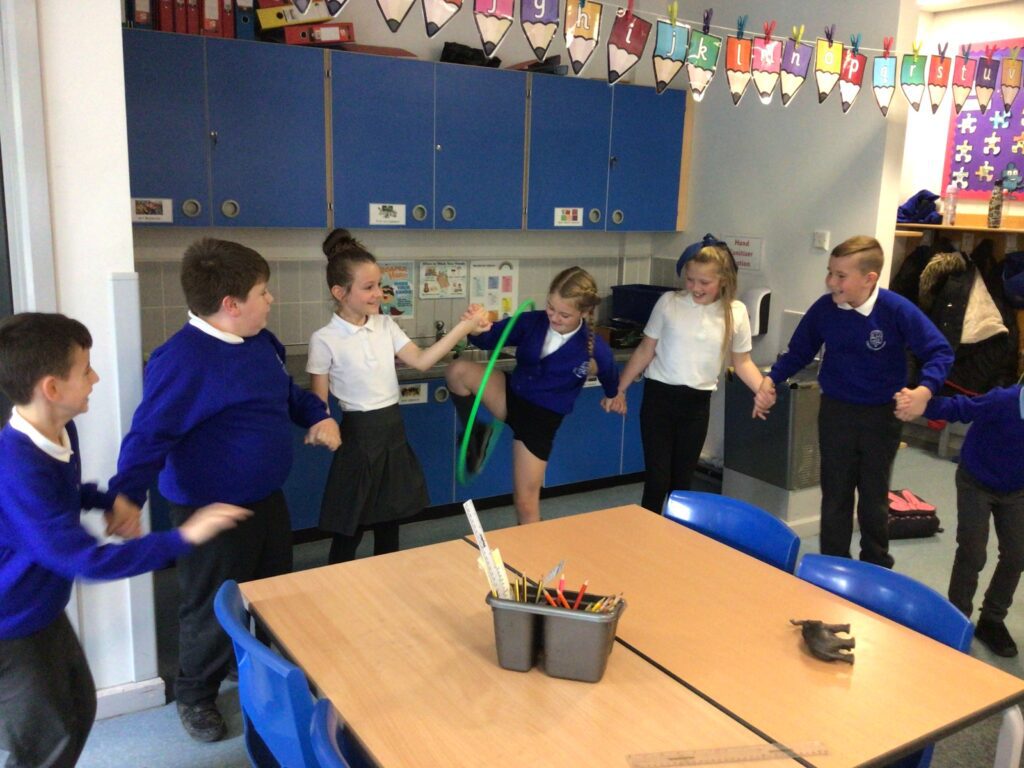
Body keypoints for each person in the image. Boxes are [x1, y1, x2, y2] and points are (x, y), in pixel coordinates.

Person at [109, 238, 340, 743]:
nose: (271, 299)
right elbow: (149, 435)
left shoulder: (261, 342)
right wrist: (126, 495)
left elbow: (287, 395)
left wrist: (318, 415)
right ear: (231, 304)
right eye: (263, 292)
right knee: (210, 606)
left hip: (267, 500)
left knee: (271, 595)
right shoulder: (180, 361)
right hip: (207, 511)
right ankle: (195, 694)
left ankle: (249, 665)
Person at [0, 313, 250, 768]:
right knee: (45, 741)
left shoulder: (58, 430)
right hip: (9, 625)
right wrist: (184, 535)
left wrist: (105, 500)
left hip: (38, 608)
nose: (95, 378)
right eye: (85, 370)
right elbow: (87, 561)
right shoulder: (16, 467)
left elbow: (59, 498)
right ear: (52, 388)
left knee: (79, 708)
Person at [755, 235, 953, 568]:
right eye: (830, 272)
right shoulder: (825, 309)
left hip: (882, 416)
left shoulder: (895, 309)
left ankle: (875, 565)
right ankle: (834, 565)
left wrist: (924, 389)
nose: (831, 281)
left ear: (869, 278)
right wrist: (771, 380)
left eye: (840, 275)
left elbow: (939, 351)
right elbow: (798, 351)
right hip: (836, 412)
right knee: (835, 493)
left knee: (874, 496)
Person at [307, 229, 489, 564]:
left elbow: (422, 360)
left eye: (379, 285)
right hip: (358, 439)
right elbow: (318, 404)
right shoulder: (324, 339)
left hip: (392, 431)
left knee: (390, 520)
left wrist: (463, 328)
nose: (378, 293)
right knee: (349, 526)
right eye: (368, 287)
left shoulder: (386, 326)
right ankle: (334, 584)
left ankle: (388, 580)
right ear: (339, 292)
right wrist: (322, 424)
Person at [603, 237, 768, 513]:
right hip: (659, 399)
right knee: (657, 480)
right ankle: (646, 533)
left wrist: (762, 389)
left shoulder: (735, 312)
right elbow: (645, 350)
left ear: (723, 280)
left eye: (704, 282)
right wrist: (619, 389)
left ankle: (676, 536)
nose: (695, 287)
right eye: (690, 280)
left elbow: (743, 362)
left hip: (696, 405)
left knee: (681, 484)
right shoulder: (669, 303)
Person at [446, 266, 619, 525]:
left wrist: (613, 394)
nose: (554, 317)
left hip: (539, 421)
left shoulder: (592, 346)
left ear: (584, 312)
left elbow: (609, 370)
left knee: (525, 504)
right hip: (512, 396)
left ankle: (533, 547)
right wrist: (477, 329)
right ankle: (477, 434)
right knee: (457, 371)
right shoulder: (533, 321)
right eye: (550, 307)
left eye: (564, 314)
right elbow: (491, 338)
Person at [897, 383, 1024, 656]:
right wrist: (918, 403)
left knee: (1017, 554)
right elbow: (959, 408)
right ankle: (957, 617)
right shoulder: (1003, 401)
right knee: (973, 551)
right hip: (976, 480)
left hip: (1016, 489)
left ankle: (992, 619)